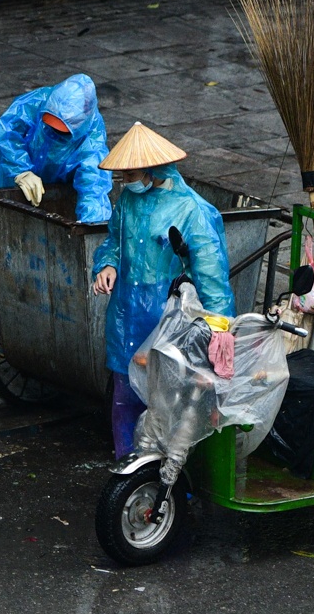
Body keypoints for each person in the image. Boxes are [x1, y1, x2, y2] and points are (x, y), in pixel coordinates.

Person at [90, 122, 233, 459]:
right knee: (125, 396)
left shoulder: (191, 211)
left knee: (171, 403)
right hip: (127, 313)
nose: (125, 180)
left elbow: (212, 274)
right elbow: (113, 240)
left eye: (130, 173)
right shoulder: (127, 200)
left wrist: (220, 326)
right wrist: (106, 265)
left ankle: (167, 481)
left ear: (152, 169)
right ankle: (128, 466)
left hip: (168, 319)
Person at [0, 72, 114, 224]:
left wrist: (91, 227)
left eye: (62, 130)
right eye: (50, 125)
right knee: (4, 219)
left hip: (55, 191)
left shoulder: (92, 141)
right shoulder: (40, 101)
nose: (54, 132)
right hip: (12, 178)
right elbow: (8, 130)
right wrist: (20, 171)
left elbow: (93, 185)